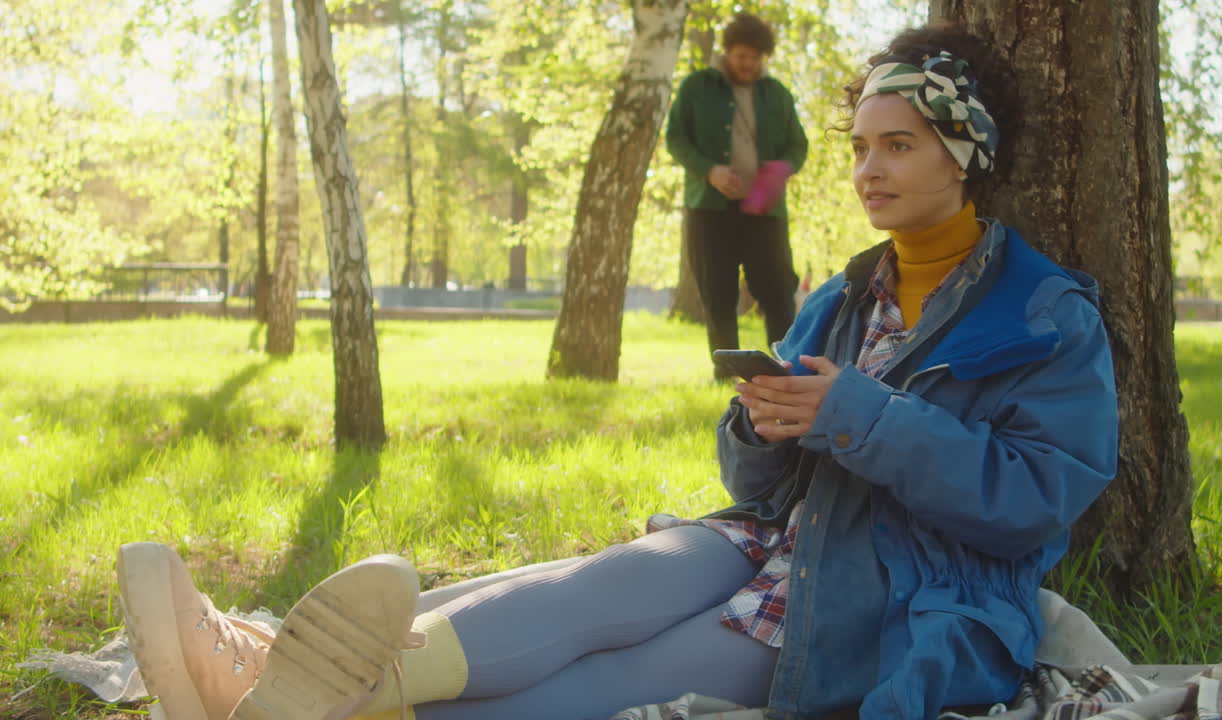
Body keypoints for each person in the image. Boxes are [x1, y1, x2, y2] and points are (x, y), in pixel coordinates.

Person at [115, 22, 1118, 720]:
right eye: (858, 147)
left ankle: (286, 697)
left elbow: (1036, 499)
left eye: (897, 146)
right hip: (774, 535)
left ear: (966, 154)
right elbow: (755, 484)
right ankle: (265, 673)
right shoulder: (846, 293)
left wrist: (853, 413)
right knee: (588, 593)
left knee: (617, 681)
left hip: (892, 590)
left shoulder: (1045, 314)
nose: (867, 170)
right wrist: (762, 423)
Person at [666, 12, 809, 379]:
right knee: (718, 294)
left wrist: (782, 169)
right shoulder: (697, 87)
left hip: (765, 213)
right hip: (709, 210)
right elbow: (676, 139)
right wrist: (709, 170)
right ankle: (725, 374)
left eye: (755, 58)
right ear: (727, 52)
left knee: (778, 291)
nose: (748, 64)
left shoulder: (777, 94)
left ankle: (783, 370)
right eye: (742, 56)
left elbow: (798, 145)